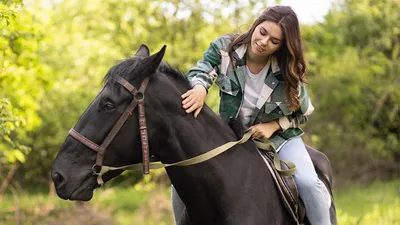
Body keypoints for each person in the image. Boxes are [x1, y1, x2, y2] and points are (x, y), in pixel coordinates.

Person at [173, 5, 331, 225]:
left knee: (307, 183)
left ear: (281, 46)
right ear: (257, 24)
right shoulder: (225, 49)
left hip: (279, 139)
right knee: (182, 180)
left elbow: (303, 113)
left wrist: (273, 125)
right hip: (230, 137)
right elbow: (202, 70)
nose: (264, 42)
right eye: (263, 32)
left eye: (274, 41)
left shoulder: (287, 70)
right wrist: (200, 87)